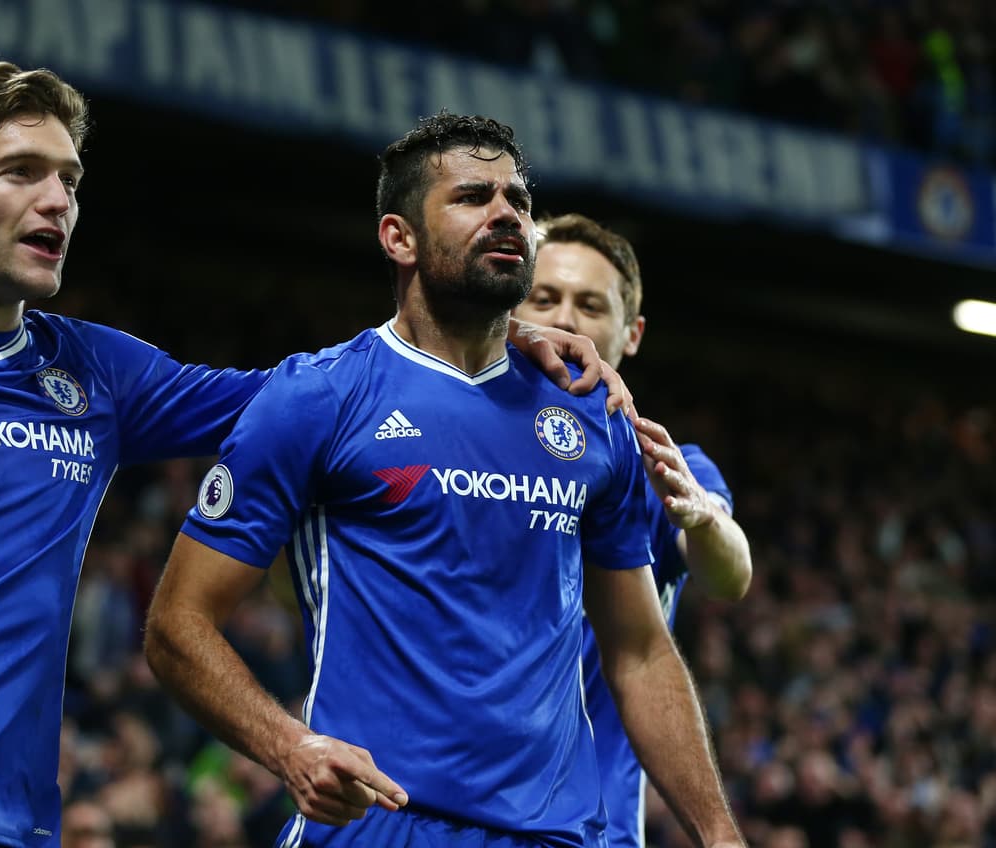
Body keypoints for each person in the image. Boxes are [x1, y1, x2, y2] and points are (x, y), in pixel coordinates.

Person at [0, 63, 619, 848]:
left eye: (70, 179)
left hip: (10, 818)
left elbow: (337, 392)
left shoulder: (95, 372)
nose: (56, 201)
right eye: (21, 173)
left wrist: (495, 333)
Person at [143, 110, 745, 847]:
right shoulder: (319, 397)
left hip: (555, 835)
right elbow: (177, 625)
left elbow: (639, 649)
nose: (506, 216)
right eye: (472, 197)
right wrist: (286, 745)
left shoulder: (594, 416)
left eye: (517, 201)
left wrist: (719, 834)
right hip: (376, 826)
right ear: (399, 237)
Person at [513, 213, 754, 848]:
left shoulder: (660, 462)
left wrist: (701, 517)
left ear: (632, 333)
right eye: (545, 297)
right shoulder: (456, 445)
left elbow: (729, 575)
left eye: (590, 304)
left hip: (595, 830)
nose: (565, 318)